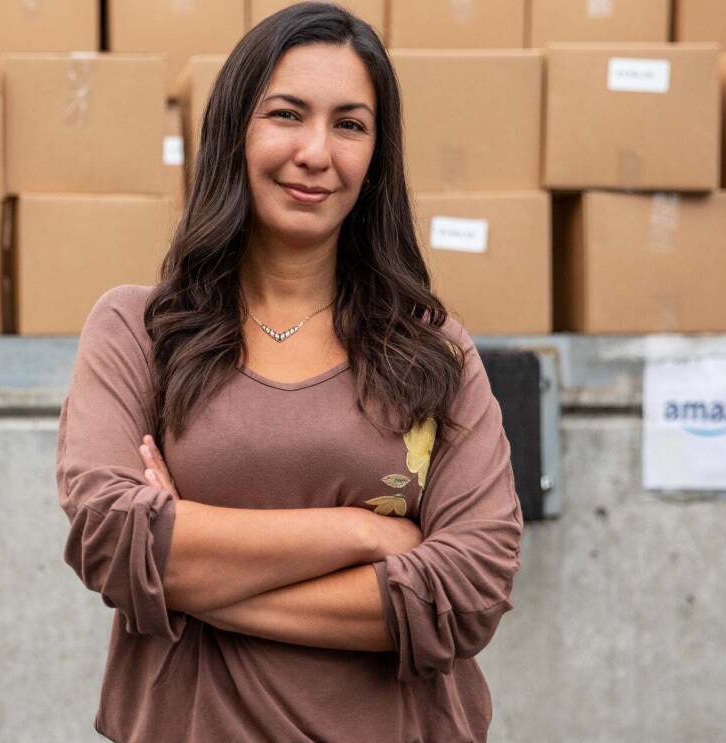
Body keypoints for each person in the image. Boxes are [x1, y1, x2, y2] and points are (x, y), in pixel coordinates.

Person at [55, 3, 524, 740]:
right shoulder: (138, 331)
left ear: (377, 156)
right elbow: (114, 539)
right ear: (235, 130)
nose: (315, 151)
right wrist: (361, 533)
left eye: (349, 124)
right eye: (286, 114)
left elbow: (466, 589)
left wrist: (189, 571)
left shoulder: (434, 352)